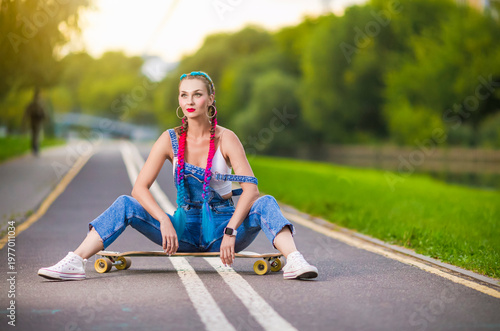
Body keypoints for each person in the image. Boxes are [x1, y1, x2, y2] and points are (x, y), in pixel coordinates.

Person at [38, 71, 318, 281]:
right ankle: (75, 262)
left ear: (210, 99)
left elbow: (250, 191)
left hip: (223, 228)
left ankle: (294, 260)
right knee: (125, 202)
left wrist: (232, 230)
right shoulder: (168, 140)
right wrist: (163, 221)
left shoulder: (226, 138)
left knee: (266, 201)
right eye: (185, 95)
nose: (191, 100)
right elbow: (140, 188)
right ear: (179, 101)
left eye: (198, 94)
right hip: (180, 229)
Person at [23, 88, 46, 156]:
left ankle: (34, 147)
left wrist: (25, 119)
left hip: (33, 120)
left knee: (34, 135)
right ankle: (35, 147)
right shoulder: (40, 103)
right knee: (36, 134)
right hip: (37, 121)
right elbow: (44, 112)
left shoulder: (32, 103)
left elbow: (27, 111)